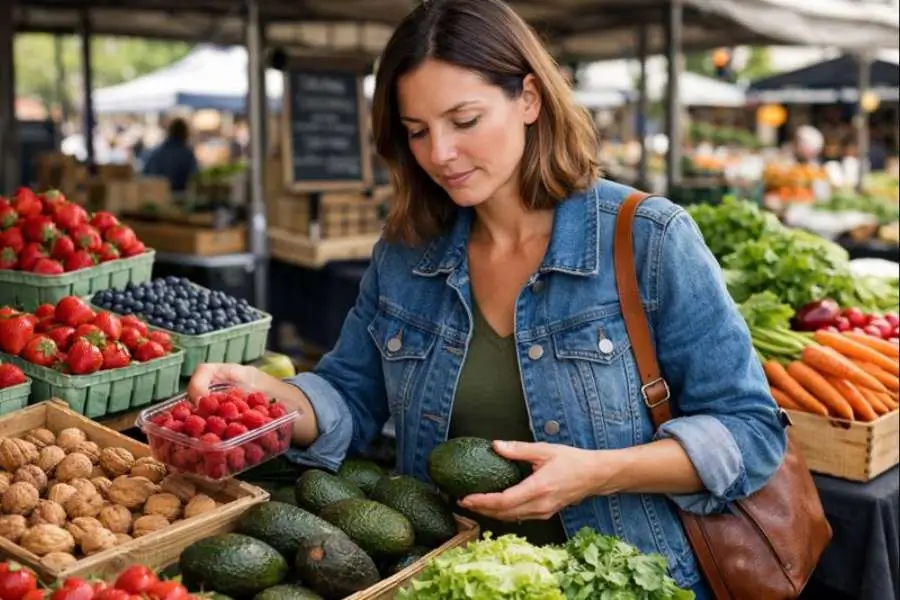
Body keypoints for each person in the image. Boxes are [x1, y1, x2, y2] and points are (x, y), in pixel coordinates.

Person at [188, 0, 787, 596]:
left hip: (621, 580)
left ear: (529, 98)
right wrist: (268, 395)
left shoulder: (648, 237)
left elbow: (752, 430)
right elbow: (349, 393)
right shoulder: (406, 254)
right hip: (450, 577)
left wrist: (599, 474)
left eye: (464, 120)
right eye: (417, 132)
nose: (440, 153)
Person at [142, 118, 199, 192]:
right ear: (185, 134)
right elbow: (195, 178)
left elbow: (146, 176)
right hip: (181, 198)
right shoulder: (187, 155)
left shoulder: (156, 153)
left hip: (158, 196)